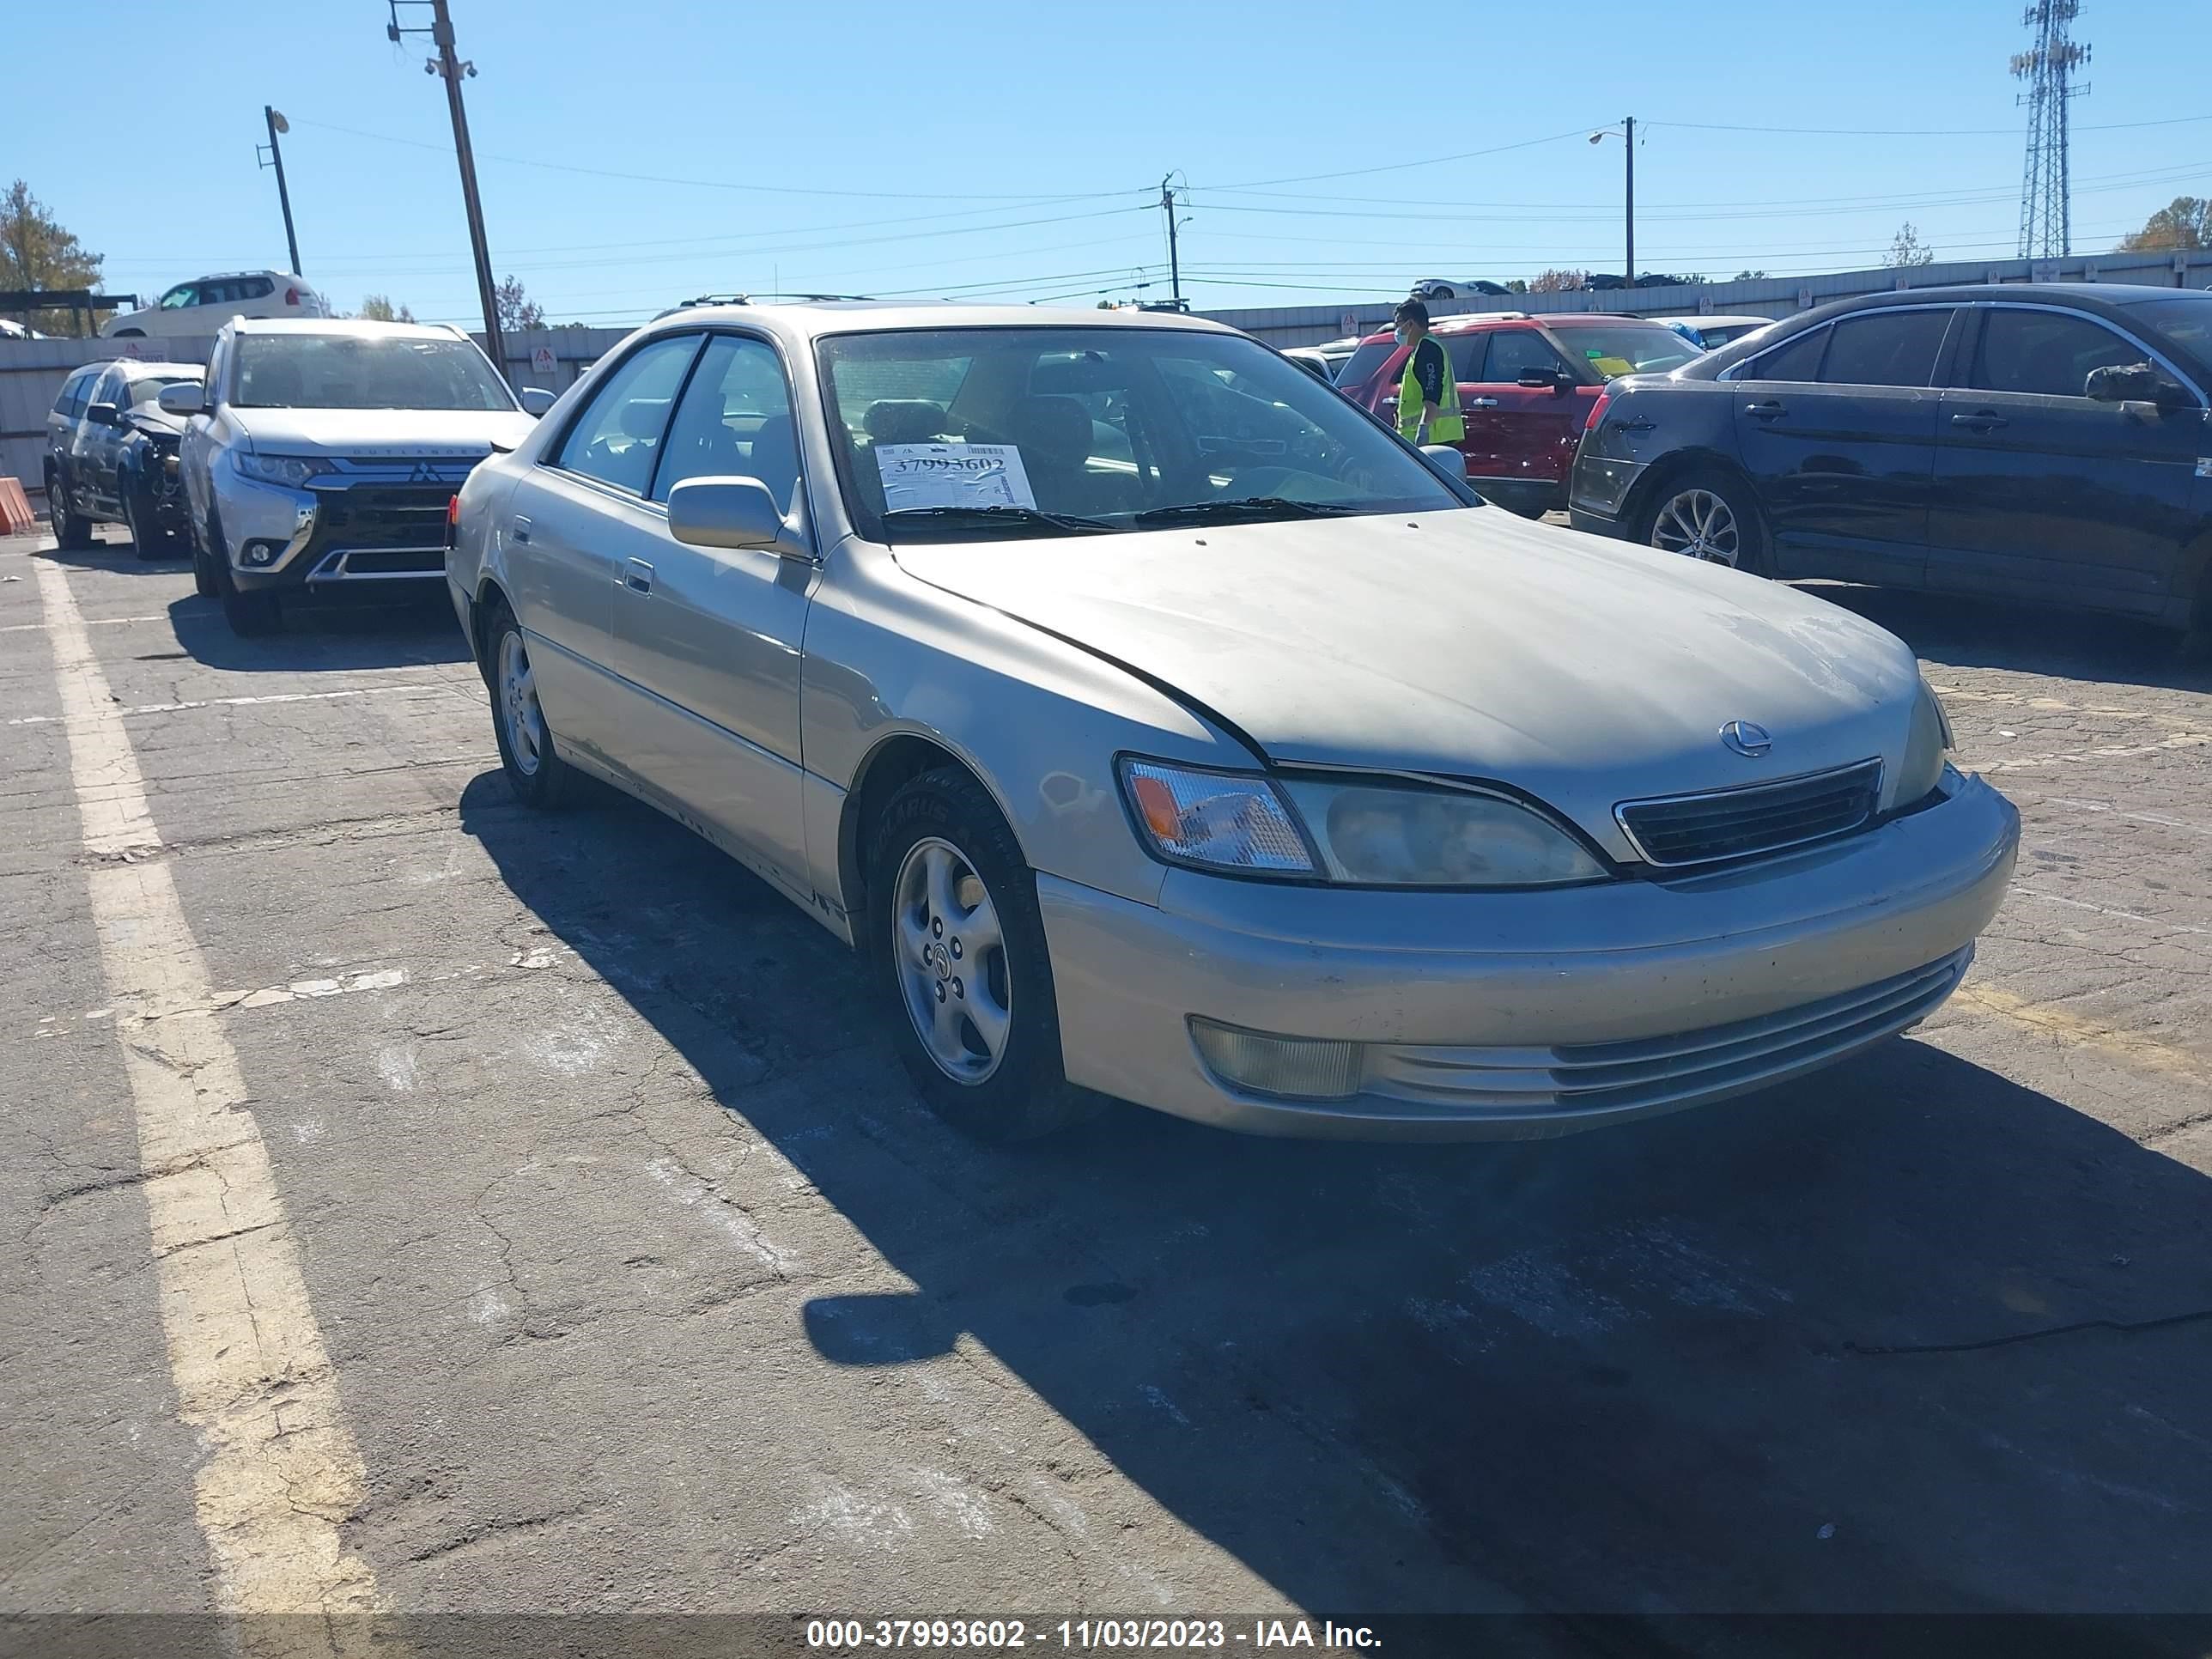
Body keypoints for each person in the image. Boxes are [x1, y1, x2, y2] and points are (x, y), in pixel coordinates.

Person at [1392, 299, 1462, 445]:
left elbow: (1432, 394)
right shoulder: (1420, 349)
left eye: (1398, 324)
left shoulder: (1428, 348)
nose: (1397, 330)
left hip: (1433, 438)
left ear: (1410, 324)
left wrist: (1423, 431)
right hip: (1430, 437)